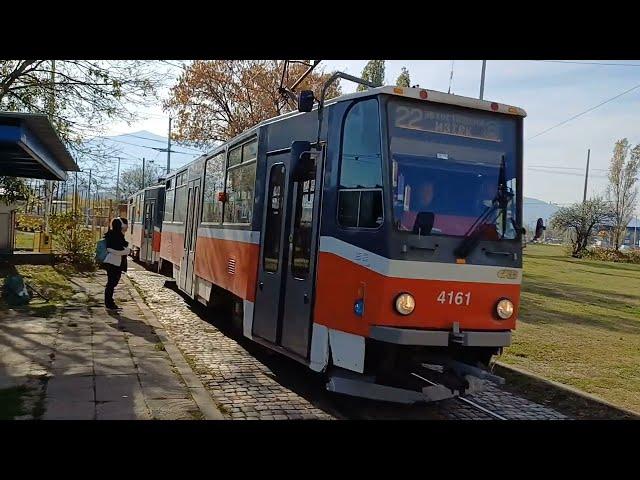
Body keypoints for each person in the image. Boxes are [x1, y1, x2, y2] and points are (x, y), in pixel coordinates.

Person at [103, 218, 130, 311]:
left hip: (114, 262)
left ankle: (109, 302)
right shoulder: (115, 235)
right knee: (111, 283)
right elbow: (113, 249)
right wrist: (126, 251)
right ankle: (109, 303)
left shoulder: (114, 234)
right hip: (113, 262)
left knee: (112, 283)